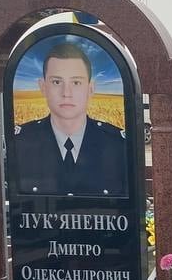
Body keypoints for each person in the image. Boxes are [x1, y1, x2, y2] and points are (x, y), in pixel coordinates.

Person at [12, 41, 128, 196]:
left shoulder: (117, 144)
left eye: (76, 82)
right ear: (43, 87)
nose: (66, 92)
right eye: (57, 82)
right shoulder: (21, 142)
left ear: (91, 88)